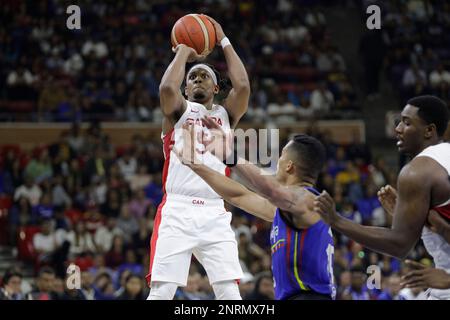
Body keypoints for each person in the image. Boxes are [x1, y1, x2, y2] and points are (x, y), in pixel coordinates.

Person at [146, 15, 250, 300]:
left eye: (205, 76)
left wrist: (223, 39)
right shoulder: (177, 112)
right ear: (186, 89)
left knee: (229, 291)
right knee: (162, 290)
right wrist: (183, 50)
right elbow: (167, 89)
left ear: (216, 89)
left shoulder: (225, 115)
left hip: (215, 209)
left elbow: (242, 87)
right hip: (177, 208)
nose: (198, 79)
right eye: (192, 77)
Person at [174, 124, 335, 300]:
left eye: (280, 156)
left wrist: (227, 154)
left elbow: (271, 190)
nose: (277, 162)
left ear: (289, 166)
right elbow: (239, 196)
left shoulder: (309, 201)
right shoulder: (290, 209)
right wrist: (195, 165)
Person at [314, 95, 450, 300]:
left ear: (429, 130)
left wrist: (337, 220)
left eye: (406, 122)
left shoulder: (417, 172)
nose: (398, 129)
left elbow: (400, 245)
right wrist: (414, 218)